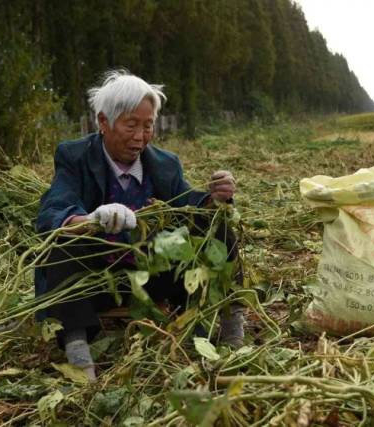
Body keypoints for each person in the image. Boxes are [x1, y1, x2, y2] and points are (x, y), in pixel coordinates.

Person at [35, 70, 244, 380]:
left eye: (148, 126)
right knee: (63, 241)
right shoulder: (74, 156)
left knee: (217, 225)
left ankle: (232, 322)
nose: (140, 136)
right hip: (96, 282)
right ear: (103, 122)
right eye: (130, 125)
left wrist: (216, 199)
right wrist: (90, 220)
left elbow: (188, 203)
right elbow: (53, 209)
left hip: (151, 276)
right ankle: (77, 349)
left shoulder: (164, 163)